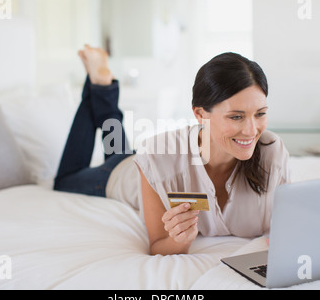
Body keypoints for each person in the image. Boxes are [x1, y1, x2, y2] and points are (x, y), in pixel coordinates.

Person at [54, 45, 290, 256]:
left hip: (154, 157)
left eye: (260, 113)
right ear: (199, 114)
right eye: (236, 117)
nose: (251, 130)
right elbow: (158, 245)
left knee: (115, 141)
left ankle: (102, 86)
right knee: (66, 178)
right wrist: (180, 240)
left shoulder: (272, 153)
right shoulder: (157, 157)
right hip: (121, 173)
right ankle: (98, 85)